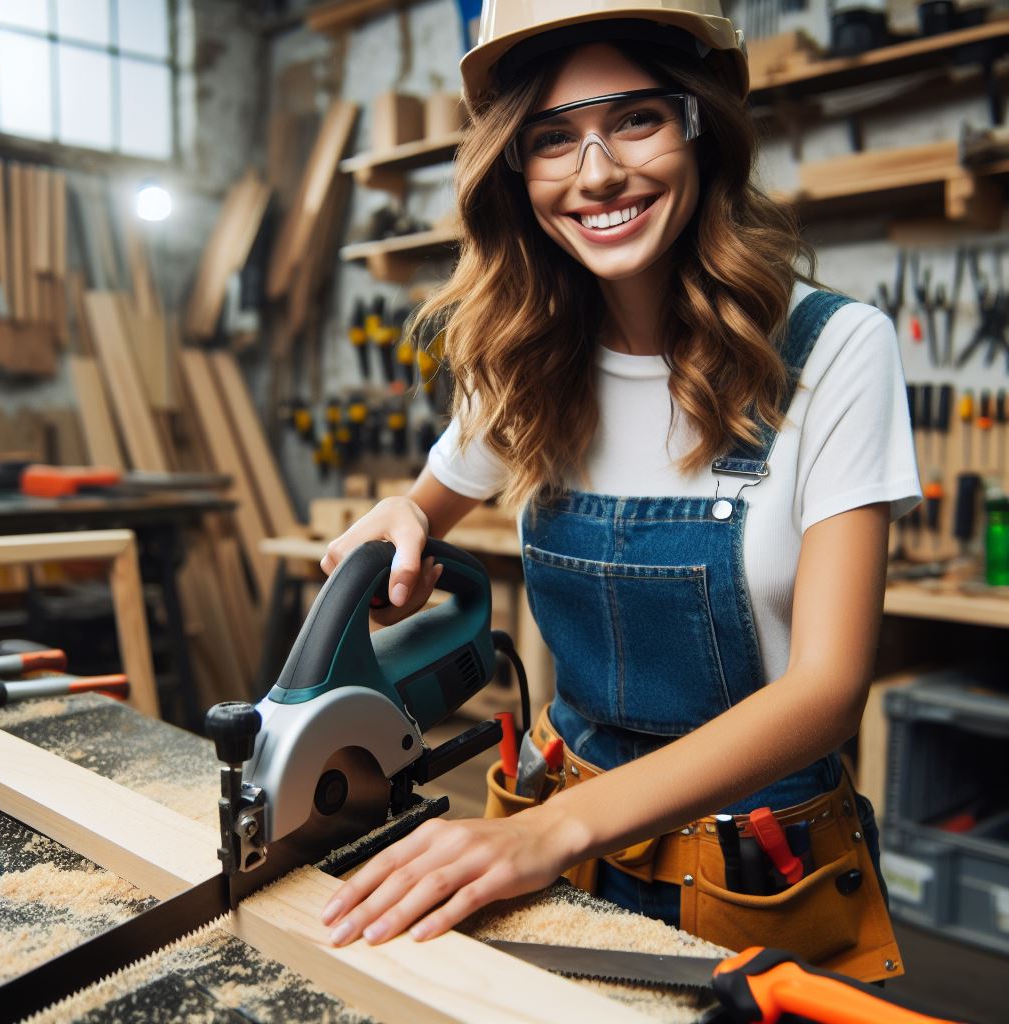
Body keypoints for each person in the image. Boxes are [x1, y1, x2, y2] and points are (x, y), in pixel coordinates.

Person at [318, 0, 921, 980]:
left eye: (634, 119)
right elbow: (418, 509)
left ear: (698, 125)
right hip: (559, 852)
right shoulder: (521, 357)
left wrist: (551, 832)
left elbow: (825, 689)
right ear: (515, 170)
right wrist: (400, 519)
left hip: (752, 870)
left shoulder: (833, 352)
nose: (595, 173)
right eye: (552, 139)